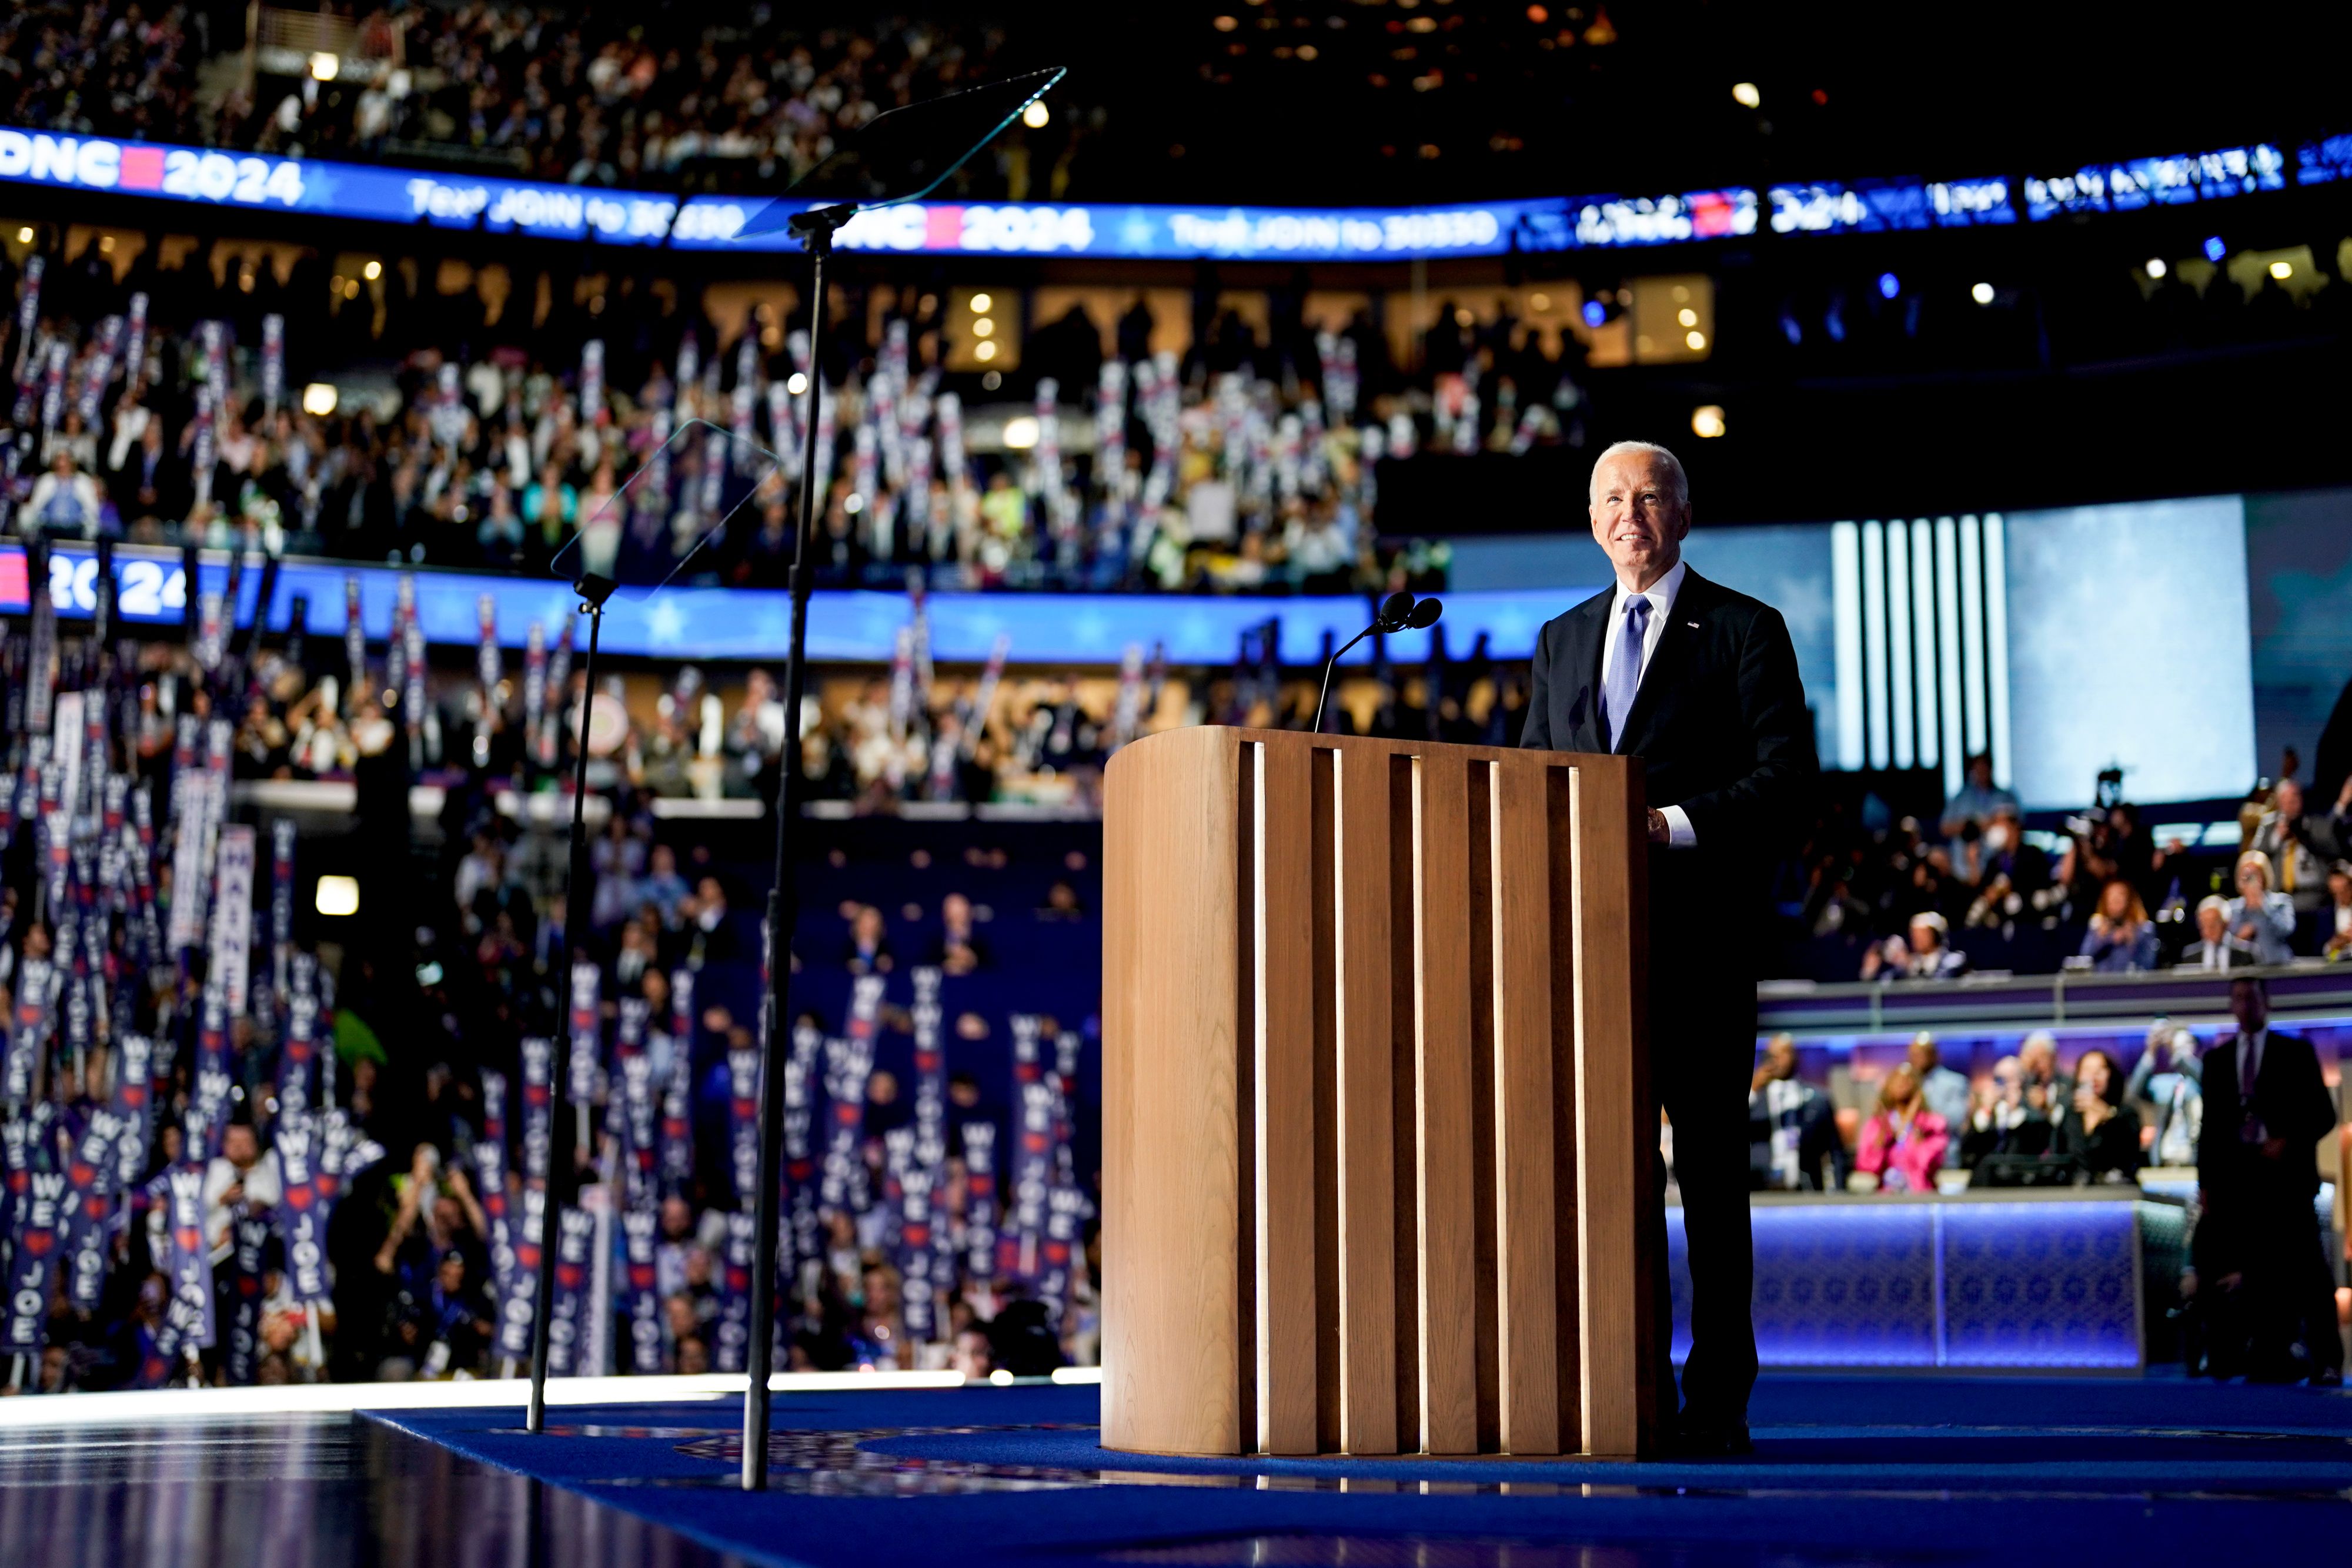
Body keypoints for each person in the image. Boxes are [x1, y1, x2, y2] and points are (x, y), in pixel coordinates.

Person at [1521, 440, 1815, 1455]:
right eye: (1612, 497)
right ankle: (1619, 1383)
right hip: (1582, 960)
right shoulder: (1560, 641)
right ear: (1591, 518)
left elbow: (1786, 780)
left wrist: (1670, 824)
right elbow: (1529, 787)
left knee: (1711, 1180)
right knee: (1598, 1179)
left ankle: (1717, 1399)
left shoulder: (1743, 628)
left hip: (1698, 951)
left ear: (1683, 516)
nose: (1630, 512)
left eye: (1650, 496)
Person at [2195, 977, 2343, 1385]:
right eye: (2238, 997)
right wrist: (2206, 1184)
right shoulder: (2217, 1060)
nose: (2246, 1004)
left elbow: (2323, 1115)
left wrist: (2288, 1141)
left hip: (2287, 1180)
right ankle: (2264, 1356)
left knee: (2310, 1272)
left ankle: (2328, 1359)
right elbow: (2209, 1130)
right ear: (2231, 1004)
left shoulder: (2295, 1052)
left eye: (2252, 996)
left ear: (2267, 1002)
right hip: (2239, 1185)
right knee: (2255, 1274)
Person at [1747, 1034, 1847, 1191]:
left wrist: (1839, 1192)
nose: (1777, 1060)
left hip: (1805, 1187)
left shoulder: (1816, 1099)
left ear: (1795, 1057)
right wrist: (1752, 1090)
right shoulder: (1755, 1098)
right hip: (1760, 1188)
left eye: (1783, 1053)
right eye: (1772, 1055)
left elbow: (1835, 1151)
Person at [1855, 1064, 1950, 1193]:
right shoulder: (1877, 1125)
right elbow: (1866, 1164)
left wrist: (1914, 1128)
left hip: (1920, 1193)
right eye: (1897, 1080)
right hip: (1886, 1195)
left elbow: (1928, 1164)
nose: (1902, 1084)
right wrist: (1885, 1138)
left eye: (1908, 1080)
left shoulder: (1932, 1124)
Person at [2053, 1048, 2141, 1182]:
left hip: (2115, 1189)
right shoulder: (2071, 1114)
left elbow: (2130, 1154)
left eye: (2100, 1070)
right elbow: (2059, 1156)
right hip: (2074, 1191)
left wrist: (2108, 1115)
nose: (2094, 1077)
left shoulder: (2125, 1114)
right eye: (2087, 1070)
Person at [2126, 1022, 2204, 1168]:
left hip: (2194, 1157)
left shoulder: (2198, 1080)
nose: (2182, 1049)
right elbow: (2134, 1090)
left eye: (2186, 1044)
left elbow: (2204, 1078)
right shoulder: (2162, 1084)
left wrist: (2176, 1053)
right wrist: (2151, 1051)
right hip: (2163, 1158)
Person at [1959, 1055, 2052, 1170]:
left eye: (2011, 1079)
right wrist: (1986, 1110)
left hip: (2018, 1177)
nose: (2005, 1086)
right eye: (1999, 1080)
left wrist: (2015, 1111)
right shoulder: (1987, 1113)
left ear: (2022, 1081)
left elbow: (2037, 1145)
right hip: (1986, 1178)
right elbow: (1968, 1149)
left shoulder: (2032, 1114)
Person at [2222, 850, 2297, 965]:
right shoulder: (2232, 908)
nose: (2250, 880)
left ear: (2264, 876)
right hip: (2245, 970)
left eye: (2255, 874)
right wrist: (2240, 936)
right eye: (2246, 875)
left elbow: (2285, 930)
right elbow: (2224, 942)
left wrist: (2264, 906)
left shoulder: (2282, 902)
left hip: (2277, 965)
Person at [2078, 879, 2158, 972]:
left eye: (2120, 896)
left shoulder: (2144, 929)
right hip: (2101, 984)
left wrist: (2132, 941)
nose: (2116, 901)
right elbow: (2084, 959)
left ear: (2130, 900)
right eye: (2111, 896)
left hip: (2132, 983)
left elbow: (2149, 964)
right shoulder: (2097, 926)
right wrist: (2105, 940)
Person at [2178, 895, 2257, 970]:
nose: (2208, 931)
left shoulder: (2246, 954)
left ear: (2226, 923)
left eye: (2212, 926)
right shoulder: (2190, 956)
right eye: (2203, 926)